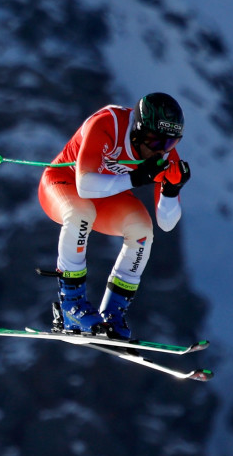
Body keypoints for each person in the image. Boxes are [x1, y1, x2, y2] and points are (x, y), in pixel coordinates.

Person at [37, 91, 192, 340]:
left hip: (106, 195)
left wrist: (172, 190)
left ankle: (112, 314)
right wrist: (137, 177)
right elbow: (84, 186)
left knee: (142, 230)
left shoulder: (163, 154)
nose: (160, 151)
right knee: (80, 213)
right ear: (139, 131)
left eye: (170, 143)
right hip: (63, 183)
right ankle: (71, 306)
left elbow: (166, 223)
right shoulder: (108, 124)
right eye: (155, 142)